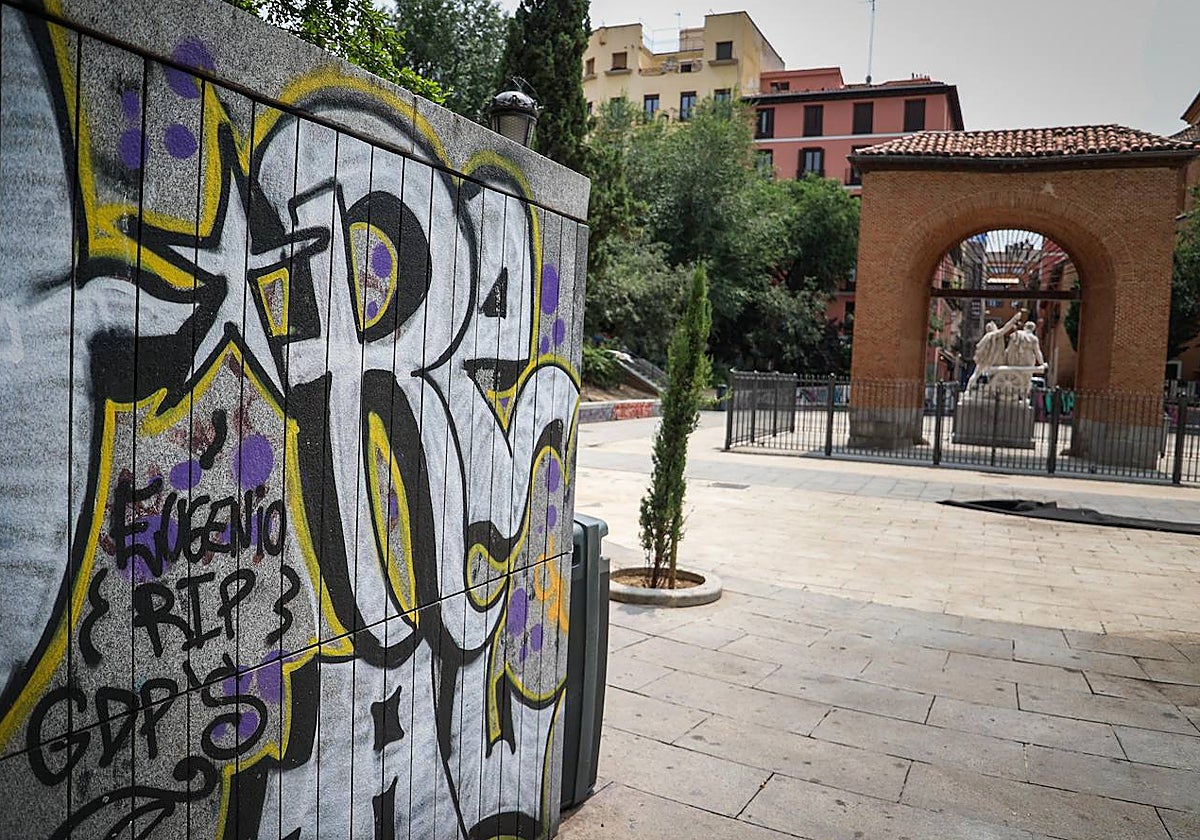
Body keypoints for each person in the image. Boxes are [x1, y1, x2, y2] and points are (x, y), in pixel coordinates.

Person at [966, 310, 1023, 392]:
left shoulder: (987, 336)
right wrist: (1014, 319)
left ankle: (969, 389)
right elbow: (1005, 329)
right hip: (992, 360)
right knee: (976, 374)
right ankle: (969, 389)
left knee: (976, 374)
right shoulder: (994, 335)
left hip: (984, 360)